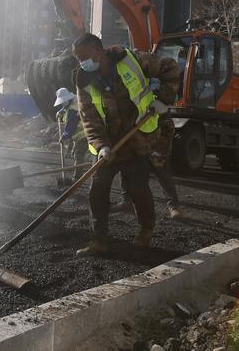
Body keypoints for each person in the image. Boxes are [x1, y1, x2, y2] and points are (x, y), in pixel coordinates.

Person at [72, 33, 179, 255]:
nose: (82, 62)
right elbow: (88, 119)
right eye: (78, 58)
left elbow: (170, 68)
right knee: (97, 191)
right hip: (108, 146)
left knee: (138, 188)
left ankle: (146, 231)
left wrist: (162, 99)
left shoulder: (132, 60)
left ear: (98, 51)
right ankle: (99, 241)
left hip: (137, 139)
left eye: (84, 56)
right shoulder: (84, 81)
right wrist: (101, 146)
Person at [54, 87, 89, 182]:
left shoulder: (72, 112)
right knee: (75, 154)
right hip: (81, 135)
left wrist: (63, 137)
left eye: (63, 102)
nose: (62, 104)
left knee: (78, 155)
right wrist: (60, 112)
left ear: (67, 100)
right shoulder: (73, 102)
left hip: (82, 135)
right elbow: (66, 108)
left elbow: (70, 127)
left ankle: (77, 178)